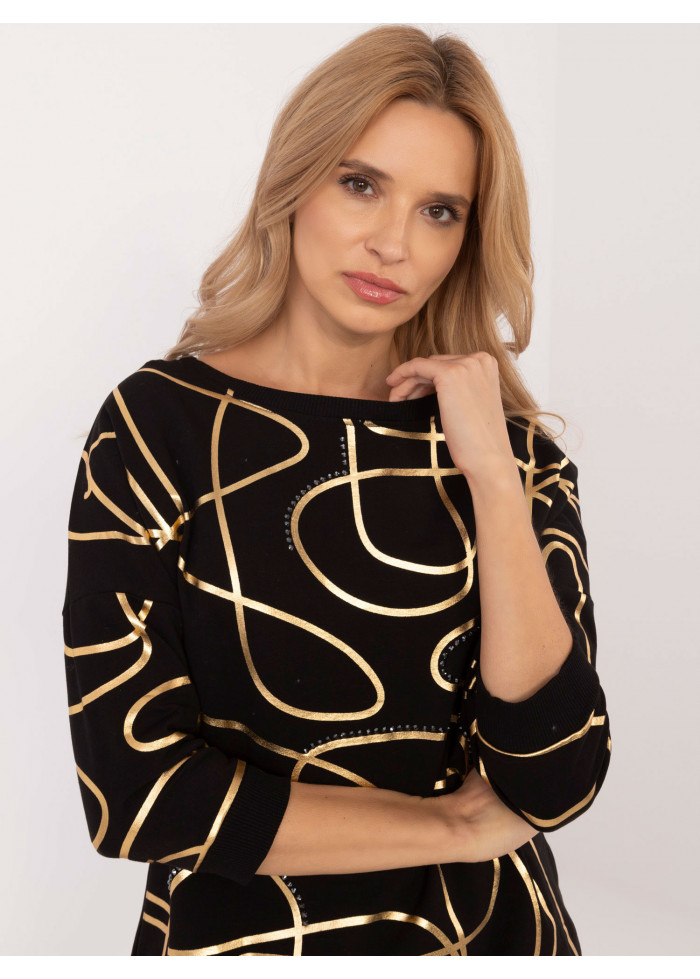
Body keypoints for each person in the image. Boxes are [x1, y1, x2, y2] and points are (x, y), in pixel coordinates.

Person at [62, 24, 611, 956]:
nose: (393, 243)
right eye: (361, 184)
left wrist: (491, 476)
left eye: (439, 210)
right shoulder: (158, 427)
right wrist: (449, 826)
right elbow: (137, 793)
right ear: (295, 179)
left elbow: (556, 778)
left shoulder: (511, 456)